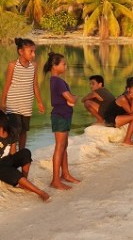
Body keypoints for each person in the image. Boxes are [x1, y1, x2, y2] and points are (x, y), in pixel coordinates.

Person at [44, 52, 80, 190]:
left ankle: (65, 174)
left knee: (63, 146)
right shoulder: (57, 81)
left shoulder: (55, 80)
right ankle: (55, 179)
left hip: (64, 115)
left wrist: (71, 97)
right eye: (63, 64)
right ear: (54, 65)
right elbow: (70, 99)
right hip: (60, 115)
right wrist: (74, 97)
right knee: (60, 146)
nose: (66, 66)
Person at [1, 38, 45, 150]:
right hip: (13, 104)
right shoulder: (12, 65)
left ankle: (22, 153)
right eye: (31, 51)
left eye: (34, 51)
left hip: (27, 104)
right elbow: (7, 84)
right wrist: (3, 102)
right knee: (15, 131)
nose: (34, 54)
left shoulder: (34, 66)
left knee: (24, 131)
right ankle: (13, 157)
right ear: (21, 52)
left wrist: (39, 102)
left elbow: (35, 84)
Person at [0, 111, 50, 201]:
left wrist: (12, 163)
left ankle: (24, 181)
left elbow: (13, 151)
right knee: (7, 170)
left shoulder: (11, 132)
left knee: (25, 153)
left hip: (7, 160)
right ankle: (40, 192)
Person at [103, 80, 133, 146]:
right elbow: (131, 113)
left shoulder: (131, 97)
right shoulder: (123, 98)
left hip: (119, 116)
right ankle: (127, 140)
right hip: (110, 120)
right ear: (128, 89)